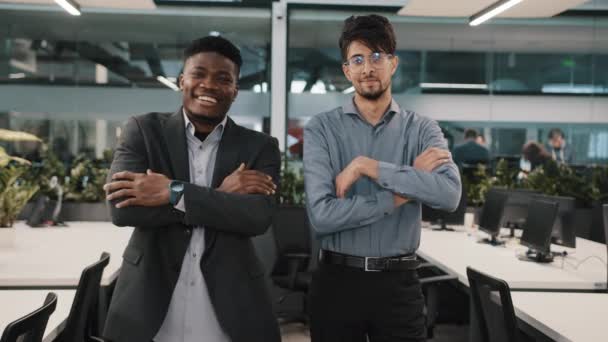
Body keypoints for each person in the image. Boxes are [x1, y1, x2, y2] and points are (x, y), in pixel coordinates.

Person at [102, 36, 281, 342]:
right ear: (182, 80)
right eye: (199, 74)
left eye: (223, 78)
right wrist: (221, 200)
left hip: (230, 310)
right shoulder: (144, 131)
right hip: (148, 306)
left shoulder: (259, 147)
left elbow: (257, 217)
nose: (209, 85)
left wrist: (172, 192)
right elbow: (122, 209)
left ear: (235, 91)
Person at [303, 14, 461, 342]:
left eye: (377, 57)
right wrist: (404, 190)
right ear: (347, 70)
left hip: (398, 287)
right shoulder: (321, 129)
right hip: (337, 284)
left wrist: (369, 167)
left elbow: (449, 195)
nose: (368, 68)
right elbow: (323, 215)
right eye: (357, 59)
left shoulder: (424, 129)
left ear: (393, 64)